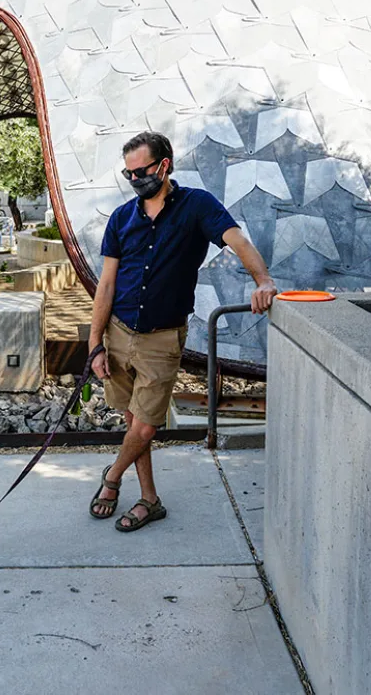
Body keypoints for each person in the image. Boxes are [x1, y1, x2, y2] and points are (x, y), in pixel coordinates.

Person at [88, 131, 277, 531]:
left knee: (146, 425)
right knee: (132, 422)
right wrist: (94, 346)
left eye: (142, 171)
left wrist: (262, 281)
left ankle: (111, 478)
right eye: (129, 173)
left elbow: (236, 240)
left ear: (164, 165)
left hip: (161, 337)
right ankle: (149, 500)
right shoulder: (122, 218)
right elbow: (105, 286)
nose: (136, 179)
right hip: (118, 333)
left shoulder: (196, 206)